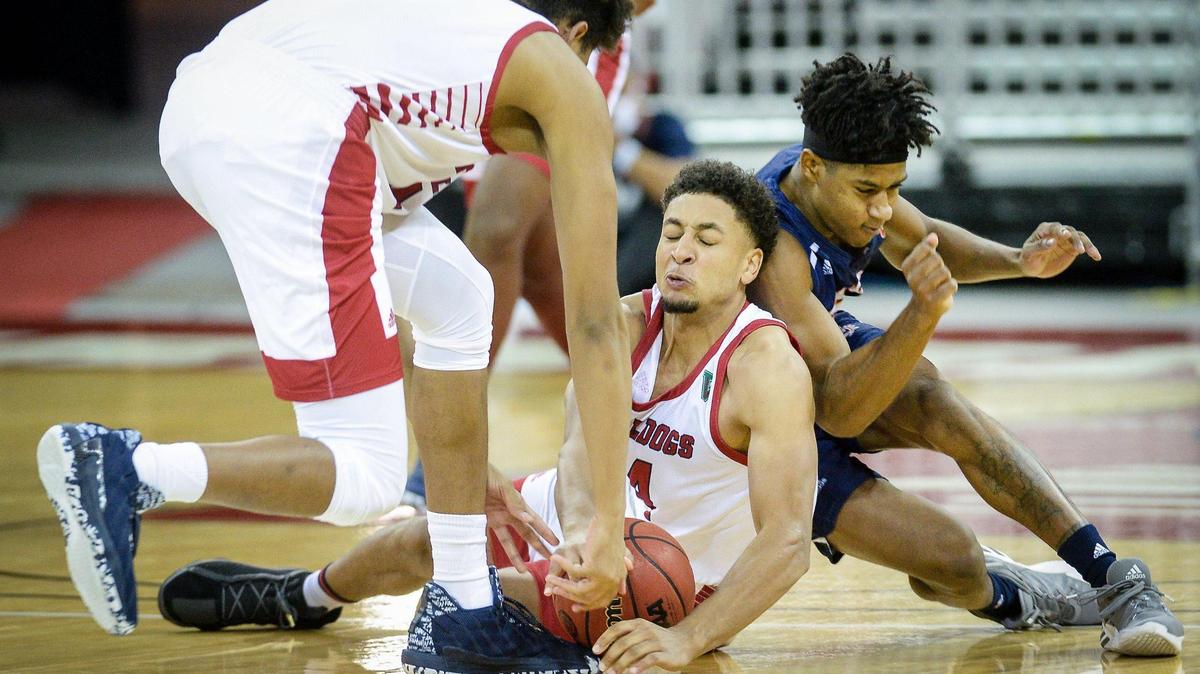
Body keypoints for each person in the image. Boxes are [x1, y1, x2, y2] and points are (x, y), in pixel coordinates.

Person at [156, 162, 1100, 674]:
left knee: (952, 558)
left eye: (706, 240)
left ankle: (1031, 591)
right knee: (433, 539)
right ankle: (302, 595)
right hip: (604, 524)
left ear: (747, 265)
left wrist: (689, 638)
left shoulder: (767, 364)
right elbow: (575, 454)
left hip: (687, 571)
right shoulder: (620, 322)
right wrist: (561, 526)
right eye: (673, 233)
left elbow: (781, 543)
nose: (679, 254)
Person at [36, 1, 638, 672]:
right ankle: (125, 467)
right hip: (296, 132)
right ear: (575, 35)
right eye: (586, 61)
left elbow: (394, 310)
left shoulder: (453, 34)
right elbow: (593, 321)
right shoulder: (557, 71)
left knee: (460, 296)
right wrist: (606, 526)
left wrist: (460, 461)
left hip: (218, 106)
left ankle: (465, 610)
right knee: (365, 476)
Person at [751, 53, 1182, 657]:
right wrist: (922, 313)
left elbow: (922, 237)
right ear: (813, 167)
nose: (882, 209)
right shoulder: (776, 248)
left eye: (893, 188)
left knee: (933, 397)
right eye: (869, 192)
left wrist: (1018, 262)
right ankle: (1024, 593)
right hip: (758, 423)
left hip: (814, 362)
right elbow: (837, 410)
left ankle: (1114, 576)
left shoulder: (843, 180)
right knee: (952, 562)